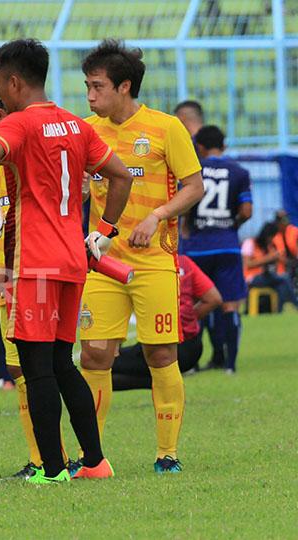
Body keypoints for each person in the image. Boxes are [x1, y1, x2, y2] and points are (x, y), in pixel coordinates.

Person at [0, 38, 134, 484]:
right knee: (63, 363)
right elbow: (120, 176)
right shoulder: (76, 125)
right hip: (73, 259)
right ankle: (96, 462)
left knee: (36, 366)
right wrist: (103, 232)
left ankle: (52, 469)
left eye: (0, 85)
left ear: (14, 81)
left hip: (35, 263)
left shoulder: (21, 125)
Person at [78, 39, 204, 474]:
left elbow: (194, 186)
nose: (90, 96)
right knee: (94, 355)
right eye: (87, 87)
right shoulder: (86, 130)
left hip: (154, 262)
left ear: (124, 86)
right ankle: (91, 455)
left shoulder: (166, 128)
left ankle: (167, 454)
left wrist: (159, 215)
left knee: (160, 355)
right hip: (102, 263)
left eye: (98, 87)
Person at [0, 79, 55, 479]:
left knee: (43, 369)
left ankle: (55, 459)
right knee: (21, 370)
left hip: (39, 276)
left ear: (0, 117)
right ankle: (42, 459)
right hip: (11, 279)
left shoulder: (27, 158)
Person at [183, 125, 251, 373]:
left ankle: (190, 363)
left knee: (194, 303)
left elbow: (186, 205)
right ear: (224, 145)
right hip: (227, 246)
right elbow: (246, 211)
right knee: (229, 304)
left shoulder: (193, 170)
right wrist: (232, 225)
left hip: (197, 248)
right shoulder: (239, 172)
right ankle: (230, 366)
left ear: (199, 147)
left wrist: (188, 228)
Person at [114, 255, 221, 387]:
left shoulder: (137, 265)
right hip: (192, 346)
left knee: (102, 366)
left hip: (161, 343)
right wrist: (186, 321)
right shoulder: (184, 262)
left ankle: (160, 383)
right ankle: (163, 382)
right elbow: (214, 299)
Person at [242, 221, 298, 310]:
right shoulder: (249, 243)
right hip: (251, 278)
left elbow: (278, 260)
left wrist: (286, 260)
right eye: (271, 236)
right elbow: (248, 264)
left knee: (281, 285)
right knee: (284, 278)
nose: (272, 239)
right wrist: (268, 258)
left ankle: (278, 311)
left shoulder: (268, 246)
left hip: (265, 276)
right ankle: (296, 304)